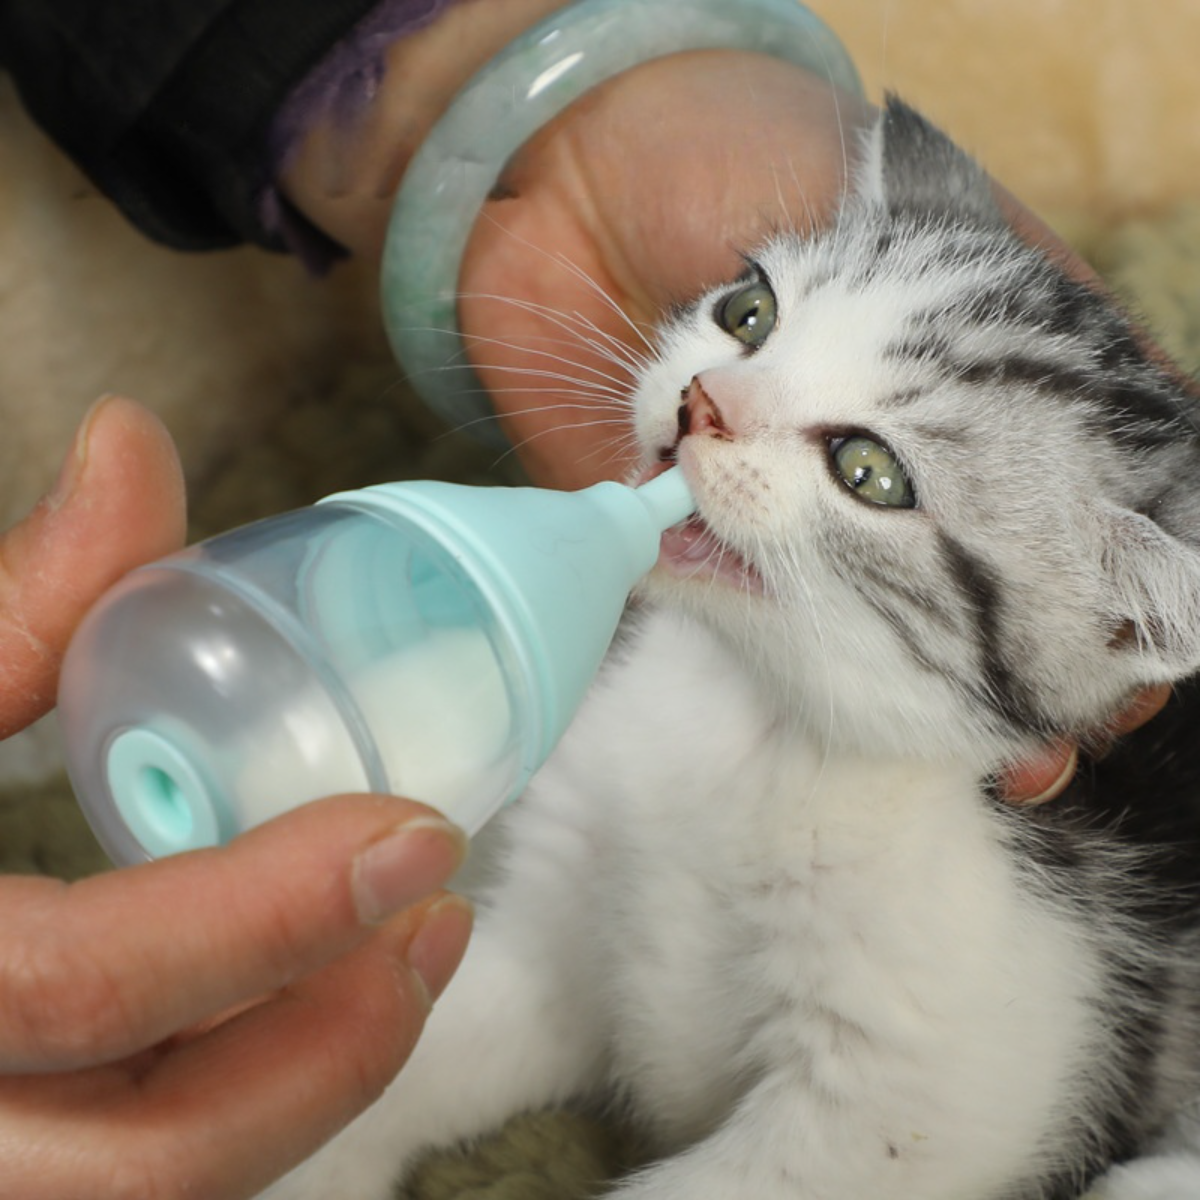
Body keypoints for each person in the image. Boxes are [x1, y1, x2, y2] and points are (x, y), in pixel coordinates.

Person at [0, 1, 1170, 1195]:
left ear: (1114, 634)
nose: (715, 399)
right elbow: (543, 979)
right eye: (755, 317)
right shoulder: (652, 679)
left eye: (867, 468)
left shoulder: (951, 902)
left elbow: (895, 1148)